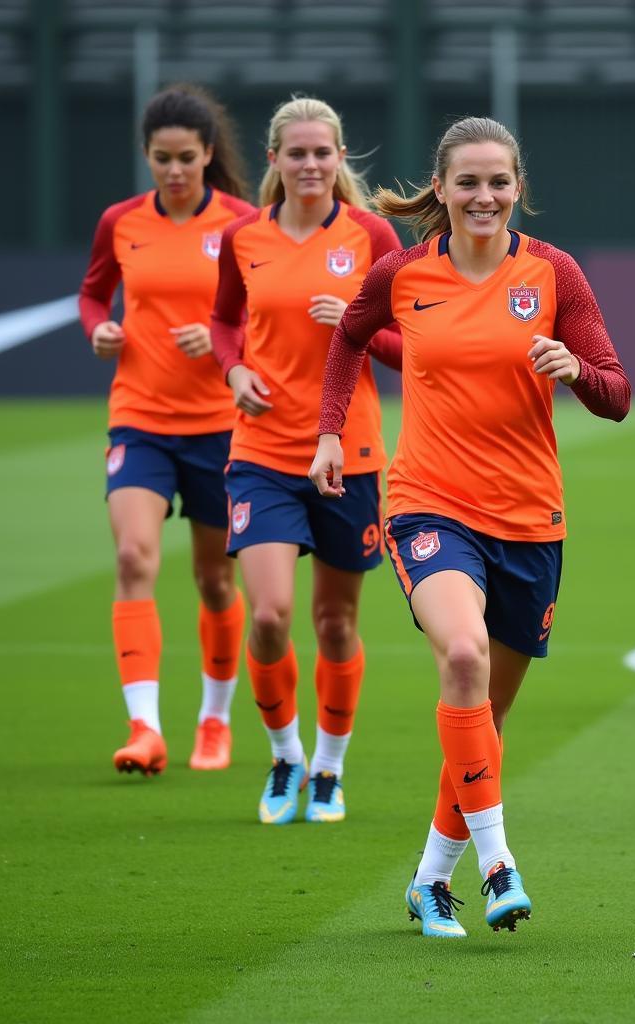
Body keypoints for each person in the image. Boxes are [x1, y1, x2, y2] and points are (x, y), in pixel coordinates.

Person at [308, 116, 630, 938]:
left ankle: (427, 882)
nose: (483, 196)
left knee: (481, 721)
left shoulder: (555, 274)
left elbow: (617, 393)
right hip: (428, 502)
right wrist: (329, 434)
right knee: (461, 653)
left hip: (531, 518)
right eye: (468, 182)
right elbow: (347, 338)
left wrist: (577, 370)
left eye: (498, 181)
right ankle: (499, 866)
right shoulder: (404, 273)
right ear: (442, 190)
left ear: (518, 187)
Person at [210, 96, 402, 826]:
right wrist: (231, 371)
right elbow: (225, 322)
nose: (312, 164)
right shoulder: (243, 238)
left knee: (333, 624)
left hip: (347, 457)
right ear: (275, 160)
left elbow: (409, 345)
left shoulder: (371, 234)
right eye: (298, 153)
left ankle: (329, 766)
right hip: (260, 450)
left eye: (324, 152)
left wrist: (353, 324)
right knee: (268, 615)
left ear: (341, 156)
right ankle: (285, 753)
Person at [79, 85, 255, 777]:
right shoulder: (120, 222)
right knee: (133, 559)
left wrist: (219, 339)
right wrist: (100, 329)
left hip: (219, 426)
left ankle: (214, 720)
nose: (175, 171)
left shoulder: (243, 224)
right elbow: (93, 292)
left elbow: (262, 316)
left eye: (186, 157)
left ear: (208, 155)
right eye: (162, 159)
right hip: (140, 419)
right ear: (146, 158)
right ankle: (145, 728)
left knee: (215, 580)